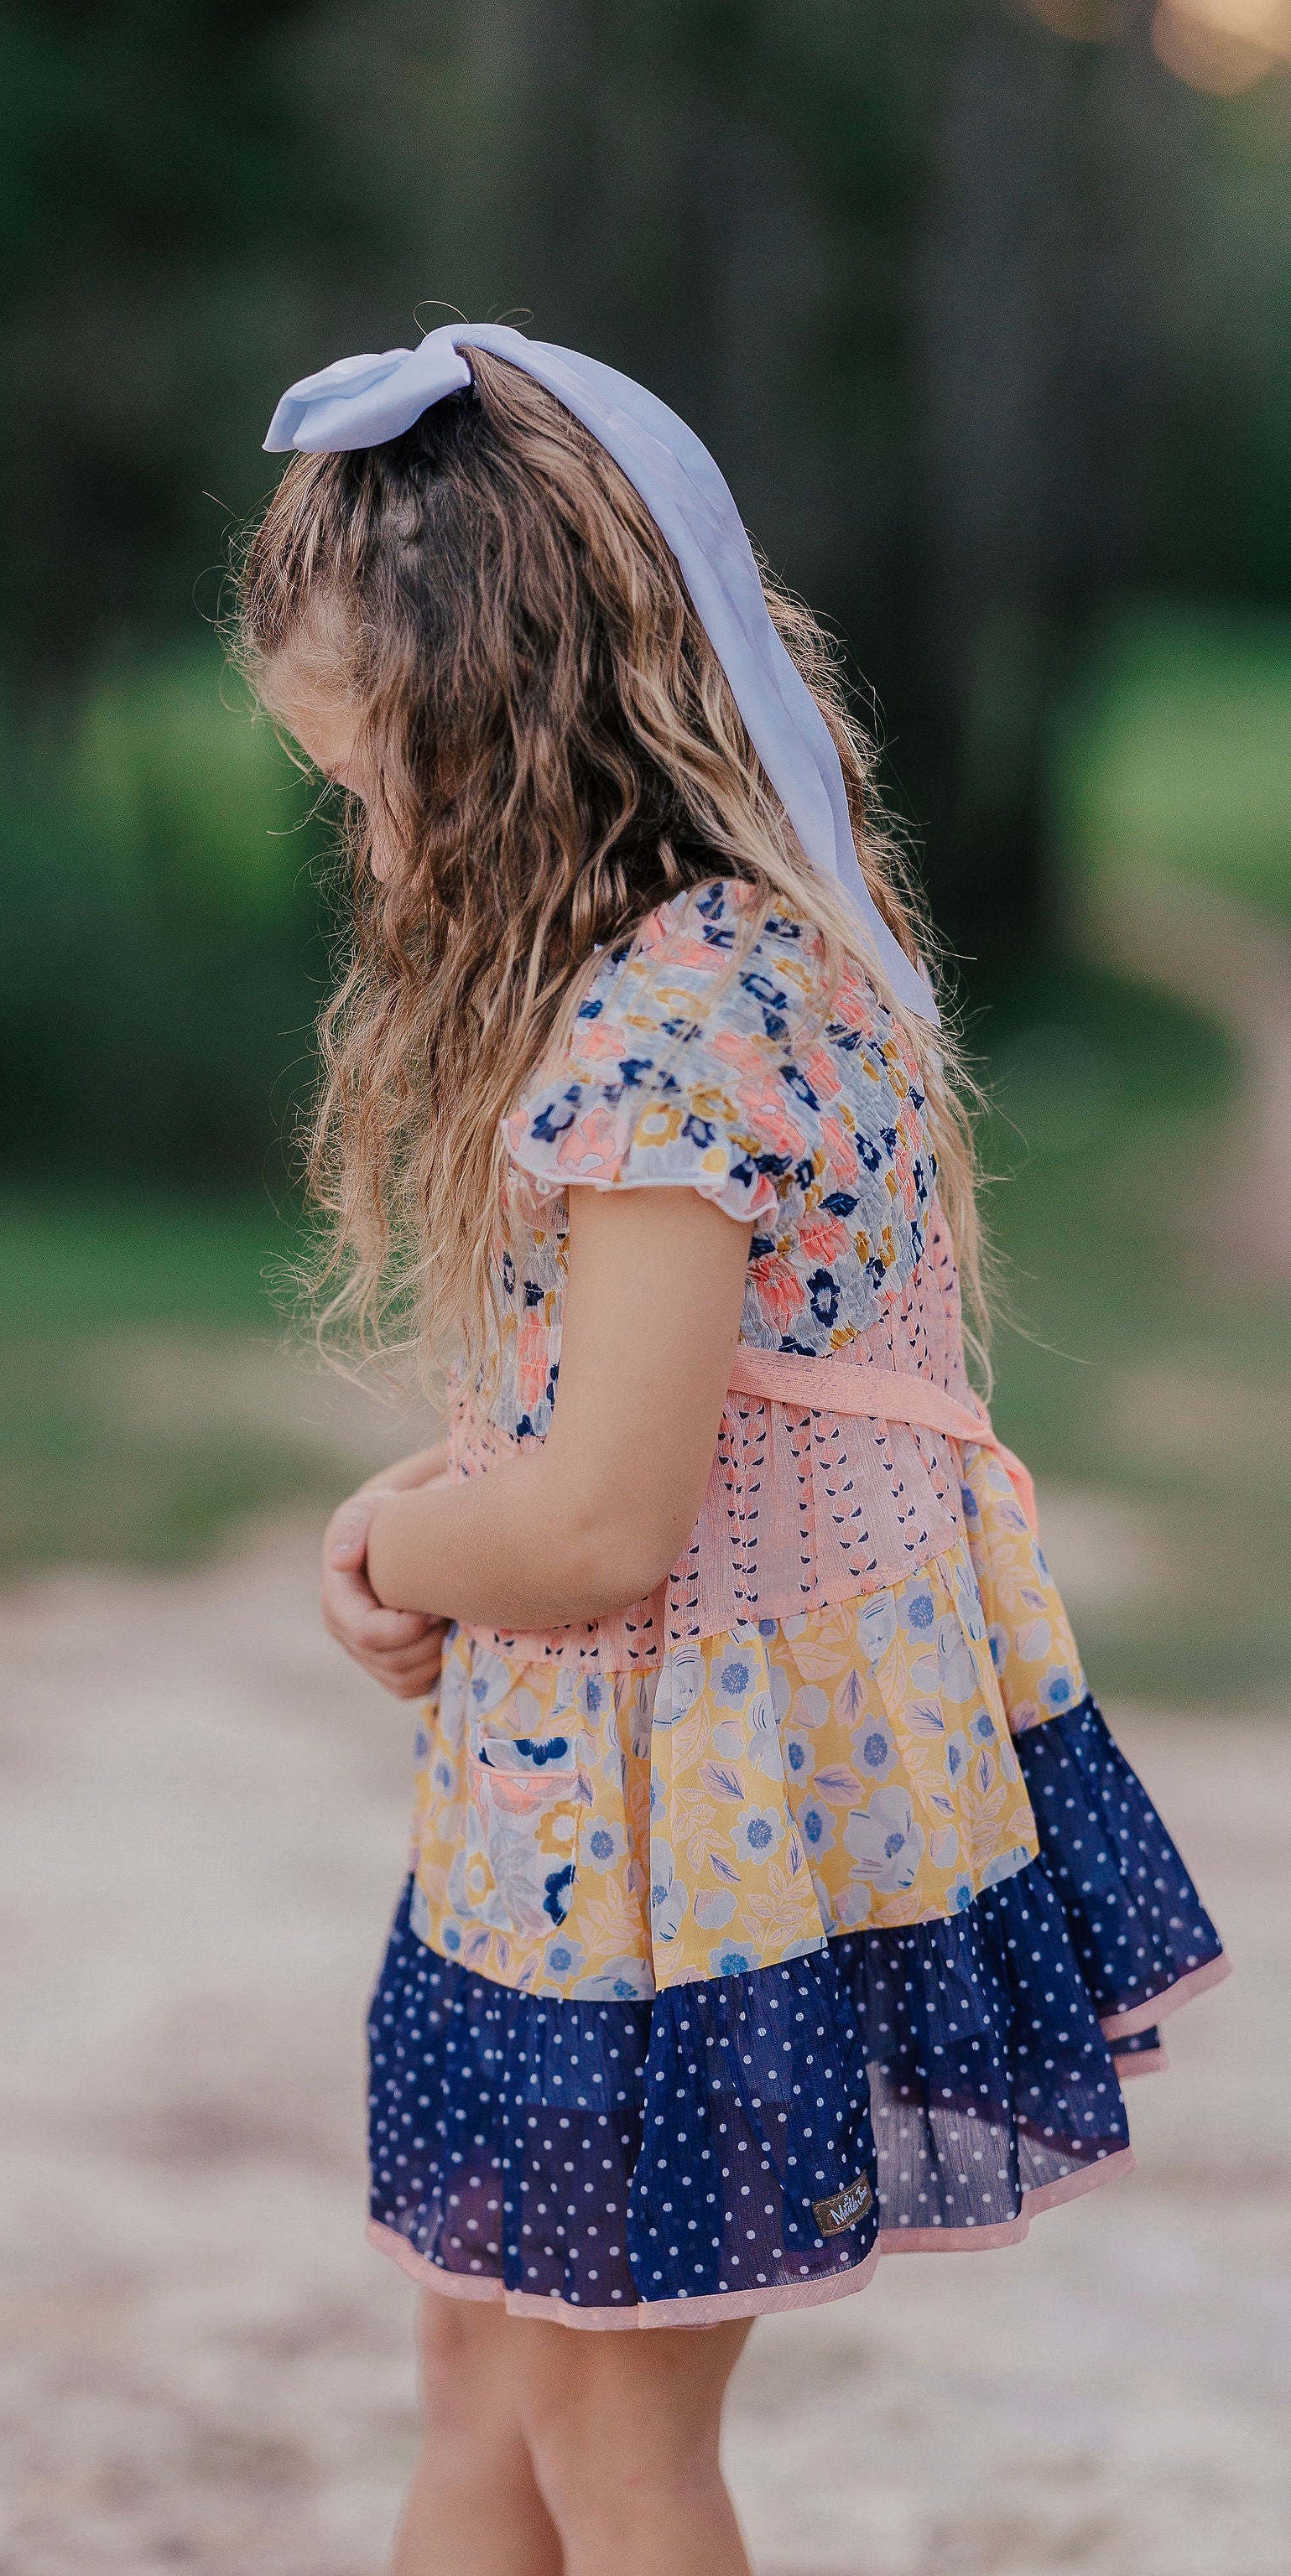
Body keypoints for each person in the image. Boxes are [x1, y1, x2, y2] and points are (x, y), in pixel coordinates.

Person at [234, 325, 1229, 2576]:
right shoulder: (778, 961)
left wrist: (409, 1549)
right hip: (610, 1836)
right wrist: (423, 1523)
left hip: (671, 1880)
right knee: (490, 2376)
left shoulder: (667, 1025)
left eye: (390, 773)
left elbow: (600, 1519)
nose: (375, 838)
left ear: (529, 733)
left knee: (612, 2440)